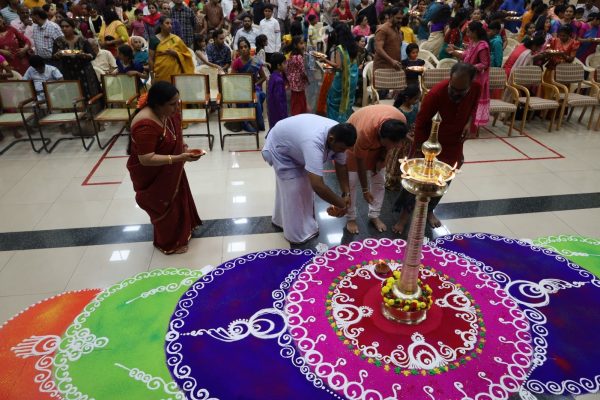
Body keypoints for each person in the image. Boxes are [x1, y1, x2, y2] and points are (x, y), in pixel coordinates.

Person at [393, 63, 480, 233]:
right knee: (417, 181)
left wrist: (469, 124)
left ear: (470, 84)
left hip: (454, 143)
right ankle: (404, 217)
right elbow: (420, 124)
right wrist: (419, 151)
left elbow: (474, 107)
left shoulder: (476, 88)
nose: (455, 94)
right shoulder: (436, 93)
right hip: (428, 144)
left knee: (444, 179)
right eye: (452, 88)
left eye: (460, 91)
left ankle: (430, 210)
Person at [127, 81, 203, 254]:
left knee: (177, 199)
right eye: (172, 104)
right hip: (153, 175)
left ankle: (184, 230)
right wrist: (178, 158)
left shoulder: (167, 113)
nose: (177, 107)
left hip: (170, 169)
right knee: (164, 205)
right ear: (156, 104)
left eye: (178, 102)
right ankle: (169, 243)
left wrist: (182, 148)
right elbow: (146, 159)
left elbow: (173, 136)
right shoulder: (145, 125)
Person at [262, 115, 357, 244]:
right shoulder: (313, 141)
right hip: (281, 149)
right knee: (294, 191)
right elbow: (318, 185)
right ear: (331, 139)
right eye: (341, 149)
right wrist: (340, 204)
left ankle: (282, 220)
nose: (342, 151)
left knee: (304, 187)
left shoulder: (340, 136)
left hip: (295, 143)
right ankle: (296, 234)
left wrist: (346, 193)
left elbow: (341, 166)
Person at [344, 105, 408, 234]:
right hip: (353, 143)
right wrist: (365, 190)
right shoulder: (363, 132)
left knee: (379, 180)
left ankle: (374, 215)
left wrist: (382, 157)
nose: (399, 146)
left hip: (380, 146)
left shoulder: (400, 120)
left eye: (399, 142)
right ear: (382, 139)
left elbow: (394, 142)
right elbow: (360, 164)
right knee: (351, 182)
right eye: (395, 144)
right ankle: (350, 218)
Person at [448, 21, 490, 134]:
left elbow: (484, 64)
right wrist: (454, 53)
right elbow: (466, 55)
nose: (466, 33)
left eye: (468, 31)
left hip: (476, 79)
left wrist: (470, 67)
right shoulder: (472, 42)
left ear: (475, 32)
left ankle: (471, 128)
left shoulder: (482, 46)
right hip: (467, 75)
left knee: (471, 103)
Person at [53, 18, 100, 100]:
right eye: (62, 27)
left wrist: (84, 55)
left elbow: (93, 55)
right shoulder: (58, 41)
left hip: (84, 71)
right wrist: (57, 55)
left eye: (67, 26)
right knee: (73, 94)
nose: (64, 29)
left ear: (73, 28)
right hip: (69, 71)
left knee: (89, 93)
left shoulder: (82, 40)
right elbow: (54, 57)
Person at [320, 23, 359, 122]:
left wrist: (324, 60)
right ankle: (346, 123)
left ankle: (334, 125)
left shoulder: (340, 48)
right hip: (352, 77)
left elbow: (338, 66)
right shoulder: (353, 46)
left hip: (342, 79)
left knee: (334, 102)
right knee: (348, 101)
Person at [386, 84, 420, 191]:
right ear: (407, 98)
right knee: (398, 160)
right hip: (402, 140)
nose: (417, 101)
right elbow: (400, 130)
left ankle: (405, 179)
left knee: (409, 160)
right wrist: (410, 138)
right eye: (415, 98)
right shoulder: (399, 111)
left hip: (412, 138)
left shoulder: (414, 108)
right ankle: (393, 181)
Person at [231, 37, 267, 131]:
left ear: (249, 48)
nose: (243, 49)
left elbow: (263, 77)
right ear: (238, 50)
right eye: (241, 47)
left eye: (245, 47)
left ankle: (258, 123)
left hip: (254, 88)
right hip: (241, 88)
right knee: (243, 97)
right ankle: (246, 122)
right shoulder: (236, 62)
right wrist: (241, 85)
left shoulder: (255, 61)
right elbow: (231, 78)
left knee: (257, 97)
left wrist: (255, 84)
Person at [149, 16, 195, 84]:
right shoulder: (154, 40)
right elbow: (151, 59)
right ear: (161, 25)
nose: (170, 25)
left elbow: (188, 55)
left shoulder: (176, 39)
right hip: (160, 73)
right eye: (167, 23)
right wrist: (152, 77)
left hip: (175, 73)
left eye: (171, 24)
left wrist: (176, 54)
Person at [373, 7, 402, 71]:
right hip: (382, 68)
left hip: (394, 67)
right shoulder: (383, 29)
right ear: (391, 16)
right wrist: (391, 61)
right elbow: (378, 49)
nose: (400, 20)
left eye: (401, 18)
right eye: (398, 18)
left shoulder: (398, 29)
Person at [286, 35, 309, 115]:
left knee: (295, 102)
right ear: (296, 45)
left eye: (304, 43)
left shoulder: (291, 55)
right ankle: (298, 117)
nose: (303, 45)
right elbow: (302, 71)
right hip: (298, 84)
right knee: (299, 103)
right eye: (301, 43)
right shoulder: (299, 57)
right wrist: (307, 79)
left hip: (293, 83)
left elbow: (287, 68)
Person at [267, 52, 287, 131]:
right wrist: (283, 116)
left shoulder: (272, 76)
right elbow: (279, 100)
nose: (286, 65)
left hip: (272, 109)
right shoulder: (279, 80)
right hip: (278, 112)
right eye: (284, 63)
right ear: (278, 66)